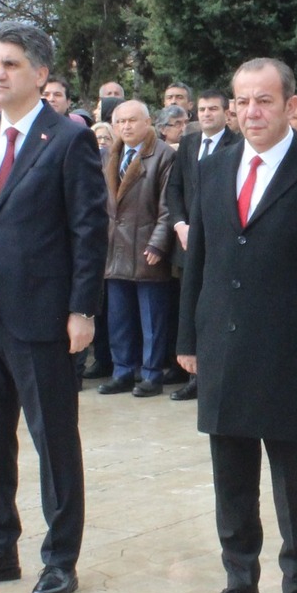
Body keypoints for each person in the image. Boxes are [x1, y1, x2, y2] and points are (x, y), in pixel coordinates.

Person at [177, 58, 297, 593]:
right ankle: (239, 586)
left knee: (290, 478)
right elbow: (198, 261)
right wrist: (188, 338)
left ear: (289, 106)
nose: (251, 112)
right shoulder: (215, 167)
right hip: (222, 344)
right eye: (242, 102)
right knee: (230, 475)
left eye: (264, 101)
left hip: (288, 348)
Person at [0, 24, 108, 593]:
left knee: (53, 442)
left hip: (42, 317)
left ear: (40, 73)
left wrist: (82, 308)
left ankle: (60, 558)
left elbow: (89, 230)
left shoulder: (67, 139)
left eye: (10, 64)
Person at [165, 88, 239, 404]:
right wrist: (180, 223)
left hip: (220, 242)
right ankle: (195, 376)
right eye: (203, 109)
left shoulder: (236, 145)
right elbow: (175, 188)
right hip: (187, 240)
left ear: (226, 113)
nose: (207, 114)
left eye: (213, 109)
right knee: (191, 304)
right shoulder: (190, 143)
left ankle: (218, 375)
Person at [101, 99, 177, 395]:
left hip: (146, 246)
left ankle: (151, 373)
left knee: (151, 318)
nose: (127, 126)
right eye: (121, 122)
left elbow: (168, 206)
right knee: (119, 316)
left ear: (148, 122)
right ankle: (122, 371)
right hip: (115, 247)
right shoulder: (109, 154)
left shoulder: (163, 155)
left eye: (133, 120)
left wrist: (159, 243)